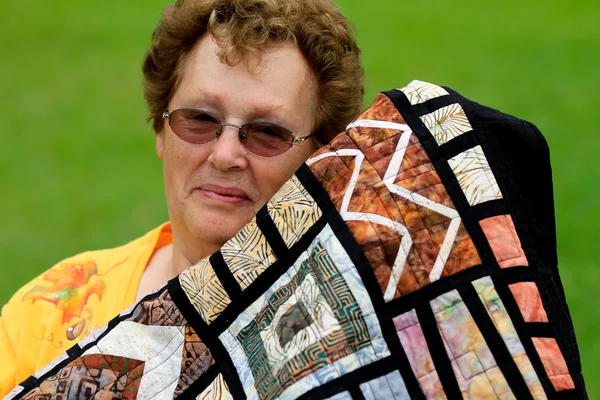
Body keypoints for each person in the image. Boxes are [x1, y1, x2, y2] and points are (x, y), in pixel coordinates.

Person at [0, 0, 363, 393]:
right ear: (161, 128)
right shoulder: (46, 314)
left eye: (267, 132)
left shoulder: (357, 339)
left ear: (321, 158)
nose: (225, 155)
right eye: (200, 119)